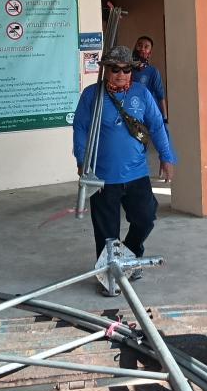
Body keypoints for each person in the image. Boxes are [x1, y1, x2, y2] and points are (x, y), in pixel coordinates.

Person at [72, 46, 176, 294]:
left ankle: (129, 257)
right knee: (106, 231)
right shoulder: (92, 95)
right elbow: (80, 128)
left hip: (136, 173)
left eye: (126, 69)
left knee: (146, 218)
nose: (121, 74)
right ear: (106, 70)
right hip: (102, 176)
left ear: (132, 70)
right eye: (115, 69)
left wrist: (167, 157)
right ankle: (109, 276)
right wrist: (82, 160)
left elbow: (157, 125)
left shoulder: (142, 93)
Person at [132, 36, 167, 119]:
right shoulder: (125, 70)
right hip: (131, 113)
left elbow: (160, 96)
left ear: (150, 53)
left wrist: (165, 118)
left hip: (148, 114)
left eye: (146, 47)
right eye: (139, 45)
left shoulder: (153, 71)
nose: (142, 49)